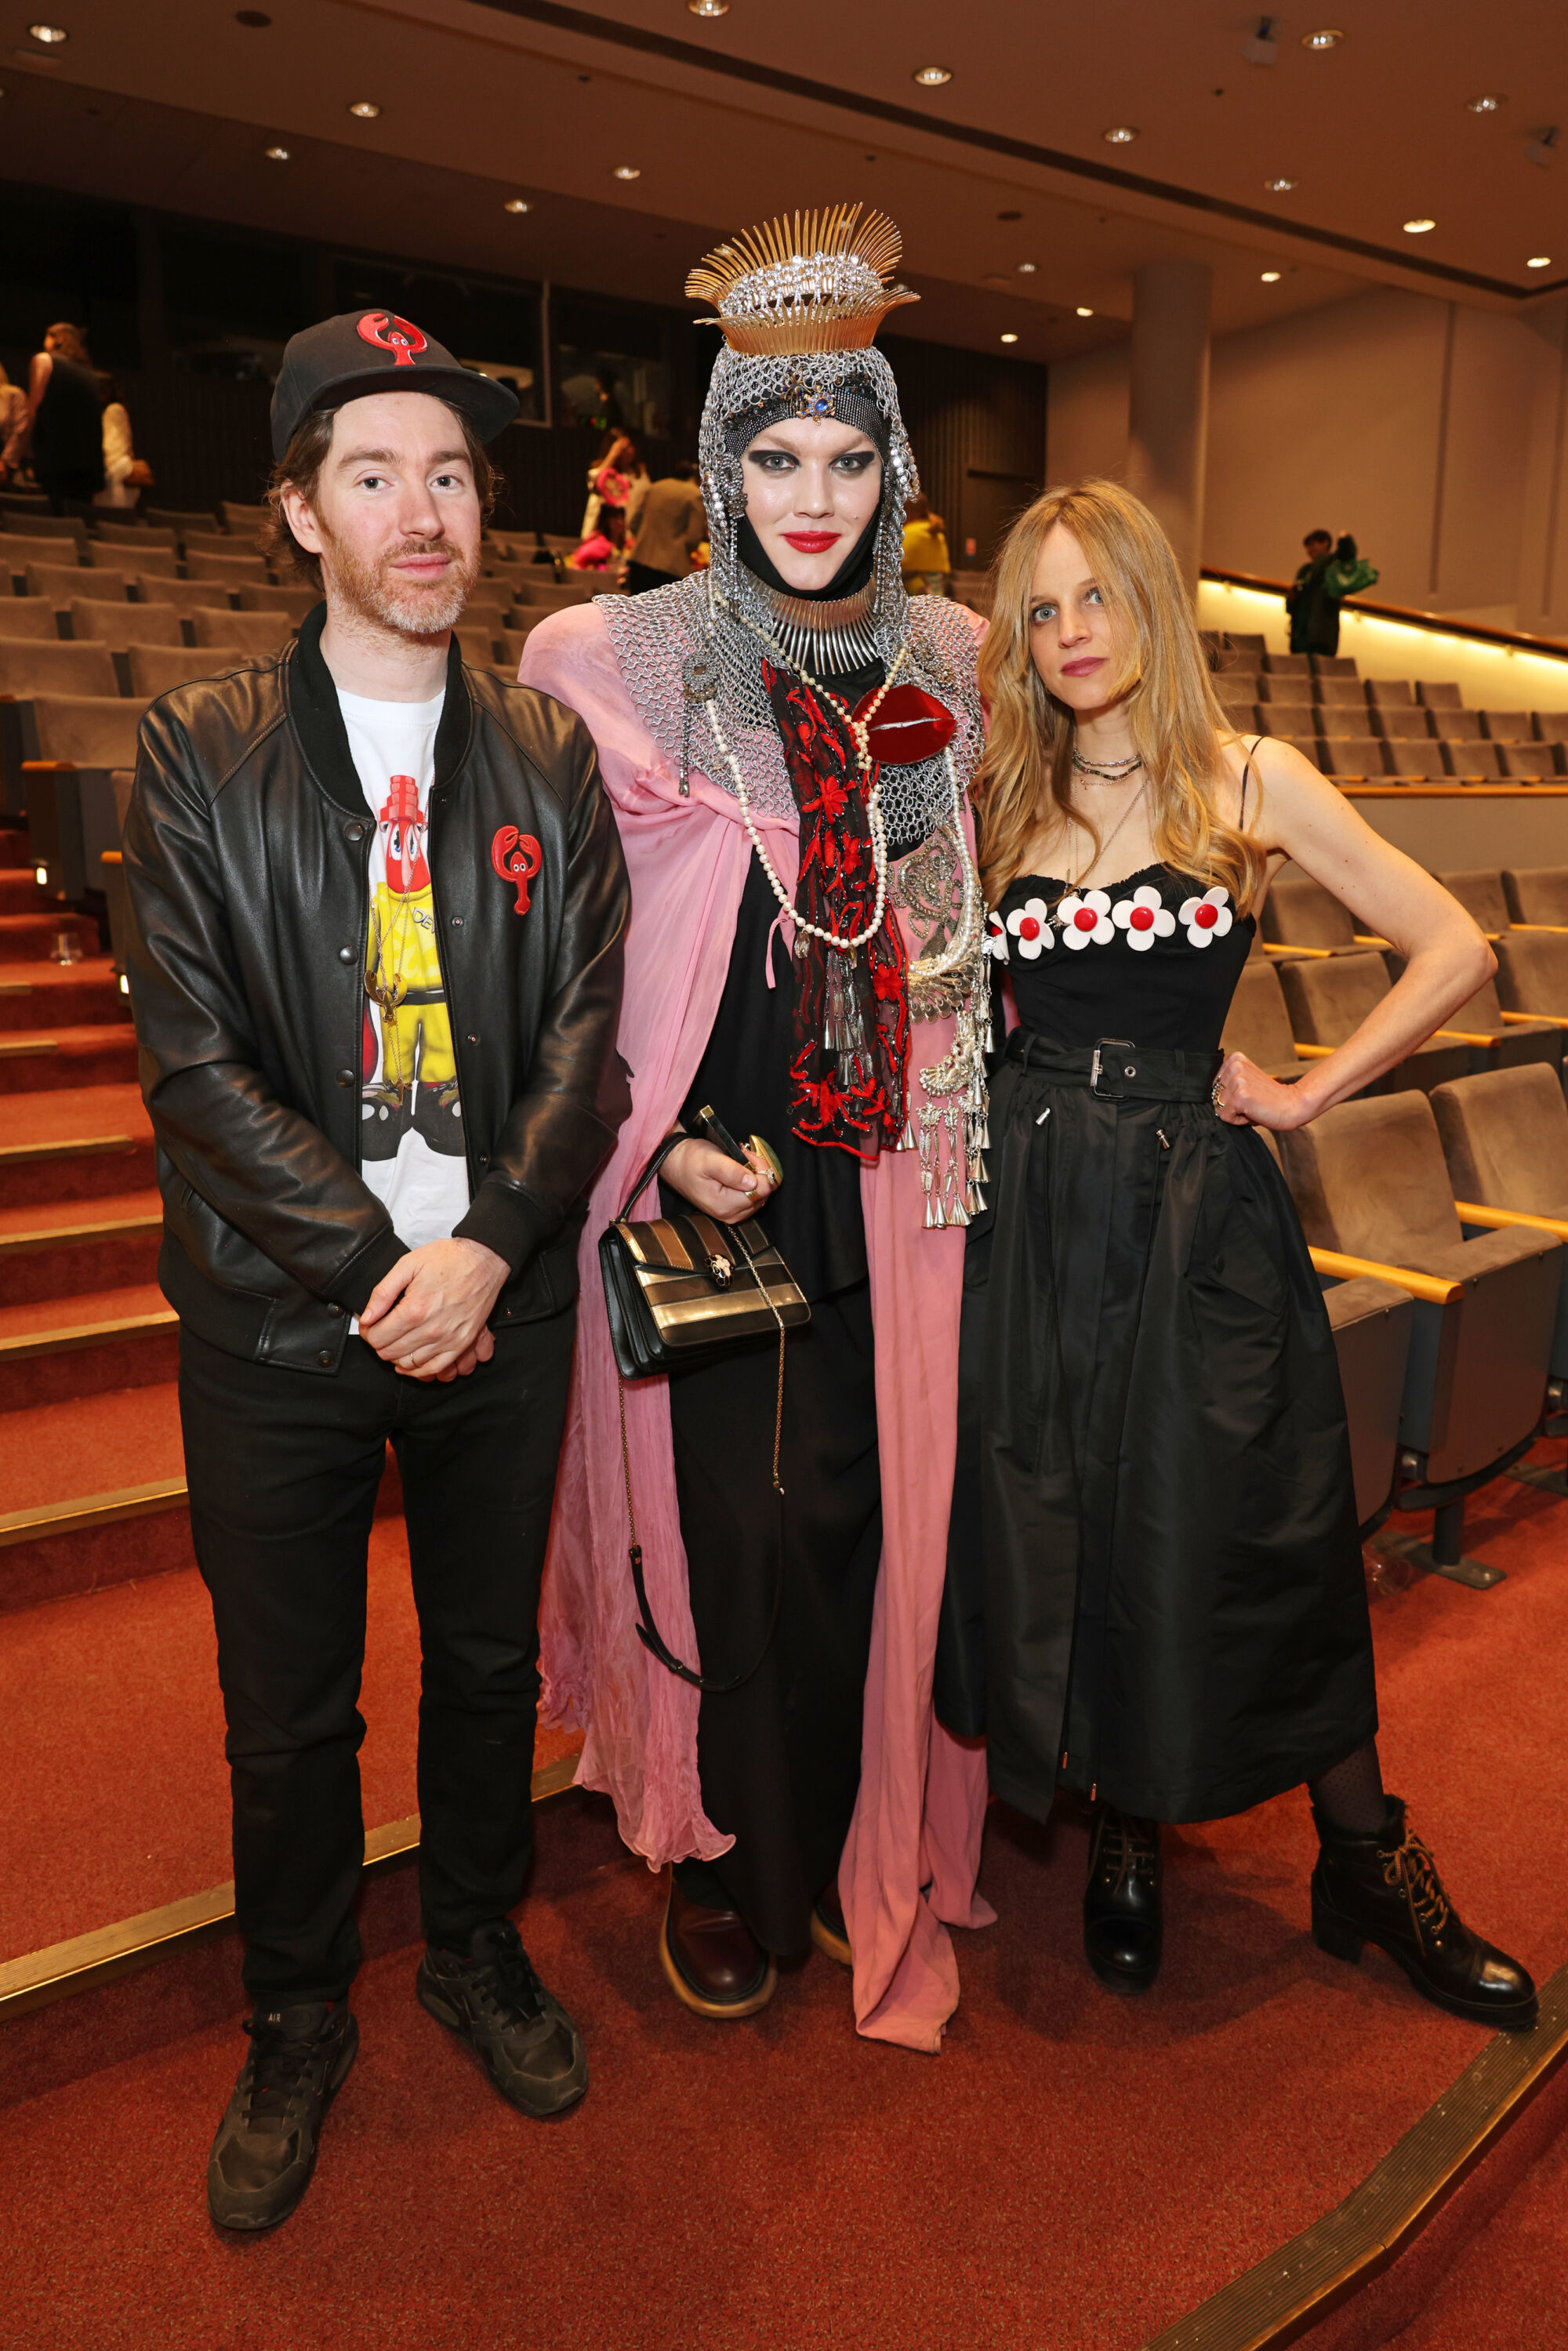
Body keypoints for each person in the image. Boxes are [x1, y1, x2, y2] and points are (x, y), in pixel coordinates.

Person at [122, 310, 632, 2233]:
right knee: (290, 1707)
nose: (421, 513)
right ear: (292, 512)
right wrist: (376, 1265)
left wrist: (490, 1242)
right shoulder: (197, 750)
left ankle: (478, 1947)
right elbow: (193, 1065)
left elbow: (588, 1027)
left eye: (447, 473)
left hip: (496, 1304)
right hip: (277, 1318)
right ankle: (294, 2011)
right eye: (370, 474)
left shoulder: (547, 752)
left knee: (489, 1670)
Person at [941, 476, 1535, 2030]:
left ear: (1151, 600)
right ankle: (1125, 1821)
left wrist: (1308, 1087)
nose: (1073, 633)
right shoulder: (999, 789)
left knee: (1254, 1538)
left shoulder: (1241, 776)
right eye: (1042, 606)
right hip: (1036, 1221)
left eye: (1099, 595)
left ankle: (1368, 1854)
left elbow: (1454, 947)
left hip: (1195, 1219)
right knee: (1072, 1523)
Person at [520, 203, 995, 2052]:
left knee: (875, 1525)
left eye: (846, 452)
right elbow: (578, 948)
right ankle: (724, 1846)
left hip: (896, 1184)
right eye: (774, 454)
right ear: (720, 465)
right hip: (705, 1180)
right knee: (742, 1530)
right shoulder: (615, 655)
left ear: (888, 466)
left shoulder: (948, 659)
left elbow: (985, 912)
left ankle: (844, 1834)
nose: (813, 492)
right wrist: (655, 1128)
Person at [19, 321, 104, 511]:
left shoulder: (44, 360)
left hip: (53, 461)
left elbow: (33, 410)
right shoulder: (90, 376)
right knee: (77, 528)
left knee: (50, 526)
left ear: (55, 339)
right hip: (87, 468)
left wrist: (22, 454)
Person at [1287, 527, 1377, 657]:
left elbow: (1346, 553)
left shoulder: (1332, 567)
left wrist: (1345, 539)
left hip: (1321, 638)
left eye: (1313, 544)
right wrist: (1291, 598)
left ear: (1325, 543)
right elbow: (1292, 606)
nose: (1309, 550)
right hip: (1299, 637)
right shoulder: (1305, 570)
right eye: (1308, 546)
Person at [624, 463, 706, 594]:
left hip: (639, 561)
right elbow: (692, 539)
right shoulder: (694, 495)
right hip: (670, 569)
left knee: (636, 613)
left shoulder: (654, 487)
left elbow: (633, 523)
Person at [93, 372, 152, 509]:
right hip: (111, 473)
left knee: (113, 516)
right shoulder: (108, 411)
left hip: (116, 475)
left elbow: (113, 449)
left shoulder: (114, 410)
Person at [901, 492, 951, 596]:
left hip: (916, 592)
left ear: (909, 511)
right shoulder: (935, 531)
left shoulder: (910, 531)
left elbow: (897, 563)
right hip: (938, 590)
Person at [568, 505, 625, 571]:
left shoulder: (628, 544)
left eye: (622, 517)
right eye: (615, 518)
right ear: (606, 520)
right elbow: (579, 561)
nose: (620, 522)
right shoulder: (599, 543)